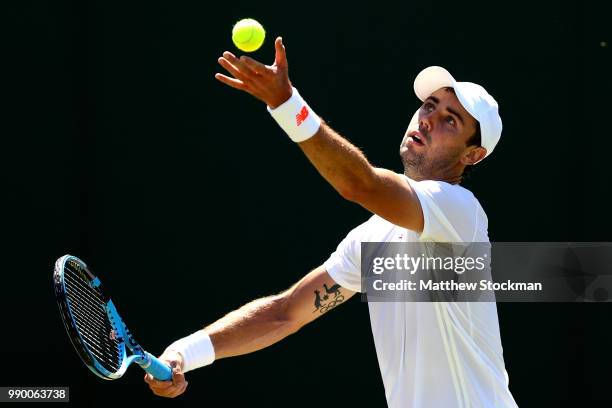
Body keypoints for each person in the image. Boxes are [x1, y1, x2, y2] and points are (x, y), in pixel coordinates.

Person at [144, 37, 518, 407]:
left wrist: (287, 104)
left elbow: (361, 184)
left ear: (473, 155)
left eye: (449, 121)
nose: (428, 120)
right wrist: (184, 353)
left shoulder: (459, 212)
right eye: (429, 106)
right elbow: (283, 313)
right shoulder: (372, 238)